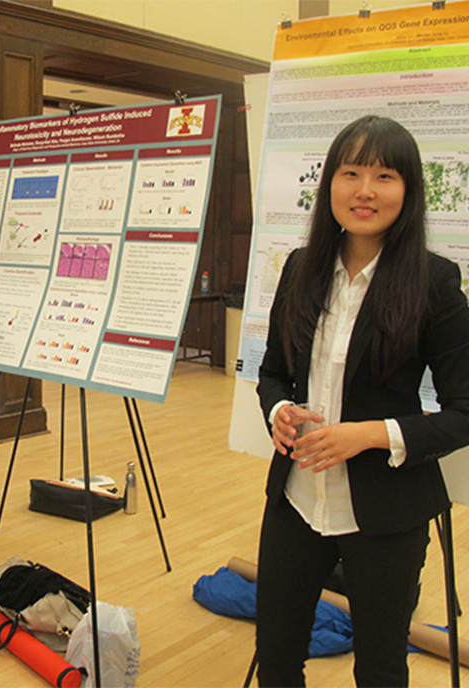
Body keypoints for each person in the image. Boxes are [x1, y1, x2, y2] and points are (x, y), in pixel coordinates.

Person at [255, 115, 469, 687]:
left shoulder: (435, 282)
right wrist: (279, 413)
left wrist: (368, 434)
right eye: (351, 172)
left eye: (384, 175)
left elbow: (463, 412)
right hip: (296, 501)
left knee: (379, 668)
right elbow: (272, 373)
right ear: (330, 184)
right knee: (277, 658)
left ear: (409, 190)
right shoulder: (302, 269)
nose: (365, 191)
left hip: (386, 513)